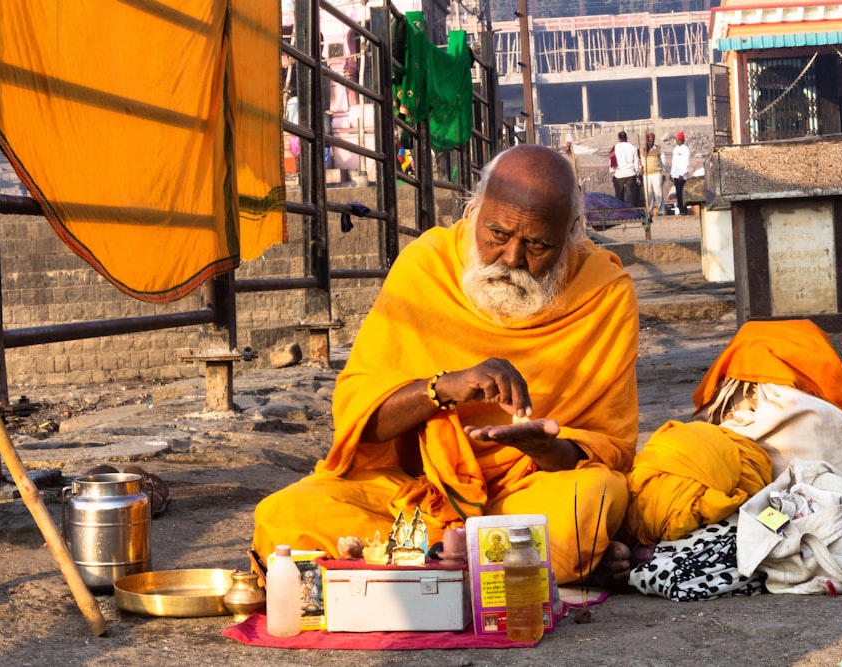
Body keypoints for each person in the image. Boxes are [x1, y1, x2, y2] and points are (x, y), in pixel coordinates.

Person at [254, 144, 639, 589]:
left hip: (525, 493)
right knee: (282, 516)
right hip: (412, 492)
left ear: (571, 233)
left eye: (536, 244)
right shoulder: (426, 265)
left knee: (585, 508)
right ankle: (491, 564)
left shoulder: (603, 292)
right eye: (497, 233)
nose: (512, 258)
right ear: (473, 211)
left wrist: (541, 447)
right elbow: (363, 422)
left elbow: (609, 447)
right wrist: (443, 388)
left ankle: (416, 564)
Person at [610, 131, 641, 208]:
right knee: (631, 195)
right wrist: (637, 173)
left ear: (618, 138)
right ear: (626, 138)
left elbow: (611, 161)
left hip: (619, 174)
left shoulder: (615, 148)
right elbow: (636, 161)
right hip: (630, 173)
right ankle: (632, 212)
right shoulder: (632, 147)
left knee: (619, 195)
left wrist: (612, 171)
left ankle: (620, 212)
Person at [642, 132, 665, 217]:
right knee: (648, 195)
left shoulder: (659, 149)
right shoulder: (643, 150)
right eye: (649, 141)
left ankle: (661, 211)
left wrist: (659, 168)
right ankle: (649, 212)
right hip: (646, 175)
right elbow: (642, 161)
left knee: (658, 193)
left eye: (652, 141)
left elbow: (663, 161)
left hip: (656, 174)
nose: (650, 142)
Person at [670, 131, 691, 215]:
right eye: (676, 139)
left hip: (681, 175)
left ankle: (684, 210)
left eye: (678, 139)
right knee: (678, 193)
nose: (677, 141)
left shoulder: (685, 149)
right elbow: (674, 162)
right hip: (675, 174)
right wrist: (671, 174)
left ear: (681, 140)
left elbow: (686, 162)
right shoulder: (675, 149)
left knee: (682, 193)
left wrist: (682, 173)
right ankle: (681, 209)